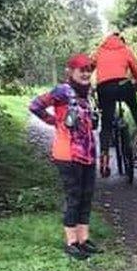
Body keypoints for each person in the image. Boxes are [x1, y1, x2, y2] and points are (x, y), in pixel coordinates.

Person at [29, 53, 102, 259]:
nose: (86, 73)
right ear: (70, 71)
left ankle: (83, 239)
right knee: (74, 197)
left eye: (89, 69)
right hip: (67, 153)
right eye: (82, 70)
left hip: (88, 153)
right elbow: (35, 105)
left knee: (87, 196)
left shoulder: (88, 92)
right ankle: (71, 242)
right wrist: (55, 122)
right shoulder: (62, 91)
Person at [93, 32, 137, 178]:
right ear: (121, 41)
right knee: (134, 107)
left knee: (106, 124)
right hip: (124, 85)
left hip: (104, 88)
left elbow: (88, 67)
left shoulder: (99, 51)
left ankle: (104, 160)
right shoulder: (126, 50)